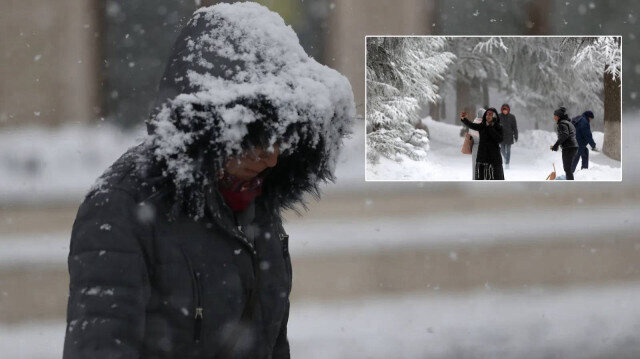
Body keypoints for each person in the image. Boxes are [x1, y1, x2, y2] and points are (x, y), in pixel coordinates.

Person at [62, 3, 355, 358]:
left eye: (284, 139)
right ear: (211, 128)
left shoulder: (255, 203)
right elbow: (101, 346)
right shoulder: (120, 206)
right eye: (257, 137)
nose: (272, 157)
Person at [461, 107, 504, 180]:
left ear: (494, 116)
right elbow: (472, 125)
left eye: (490, 114)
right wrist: (464, 119)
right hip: (482, 157)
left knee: (496, 180)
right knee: (482, 180)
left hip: (494, 157)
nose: (488, 116)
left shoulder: (498, 127)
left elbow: (499, 139)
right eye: (487, 114)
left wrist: (490, 128)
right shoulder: (482, 125)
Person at [550, 107, 578, 180]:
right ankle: (570, 184)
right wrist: (560, 144)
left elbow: (565, 135)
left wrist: (556, 145)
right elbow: (569, 135)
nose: (554, 117)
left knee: (567, 169)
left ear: (559, 116)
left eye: (555, 115)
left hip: (569, 148)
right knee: (567, 168)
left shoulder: (562, 124)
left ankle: (570, 186)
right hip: (573, 147)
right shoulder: (568, 123)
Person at [498, 103, 518, 169]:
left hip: (509, 136)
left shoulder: (512, 117)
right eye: (503, 110)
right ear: (502, 110)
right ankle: (506, 159)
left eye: (506, 110)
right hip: (501, 136)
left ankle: (507, 163)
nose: (505, 111)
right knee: (502, 150)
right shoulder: (499, 116)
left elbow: (514, 127)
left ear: (508, 110)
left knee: (508, 150)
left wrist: (516, 136)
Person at [468, 108, 485, 180]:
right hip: (483, 147)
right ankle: (483, 180)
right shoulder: (484, 124)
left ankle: (474, 179)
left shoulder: (473, 123)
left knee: (474, 164)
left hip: (475, 147)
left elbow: (470, 135)